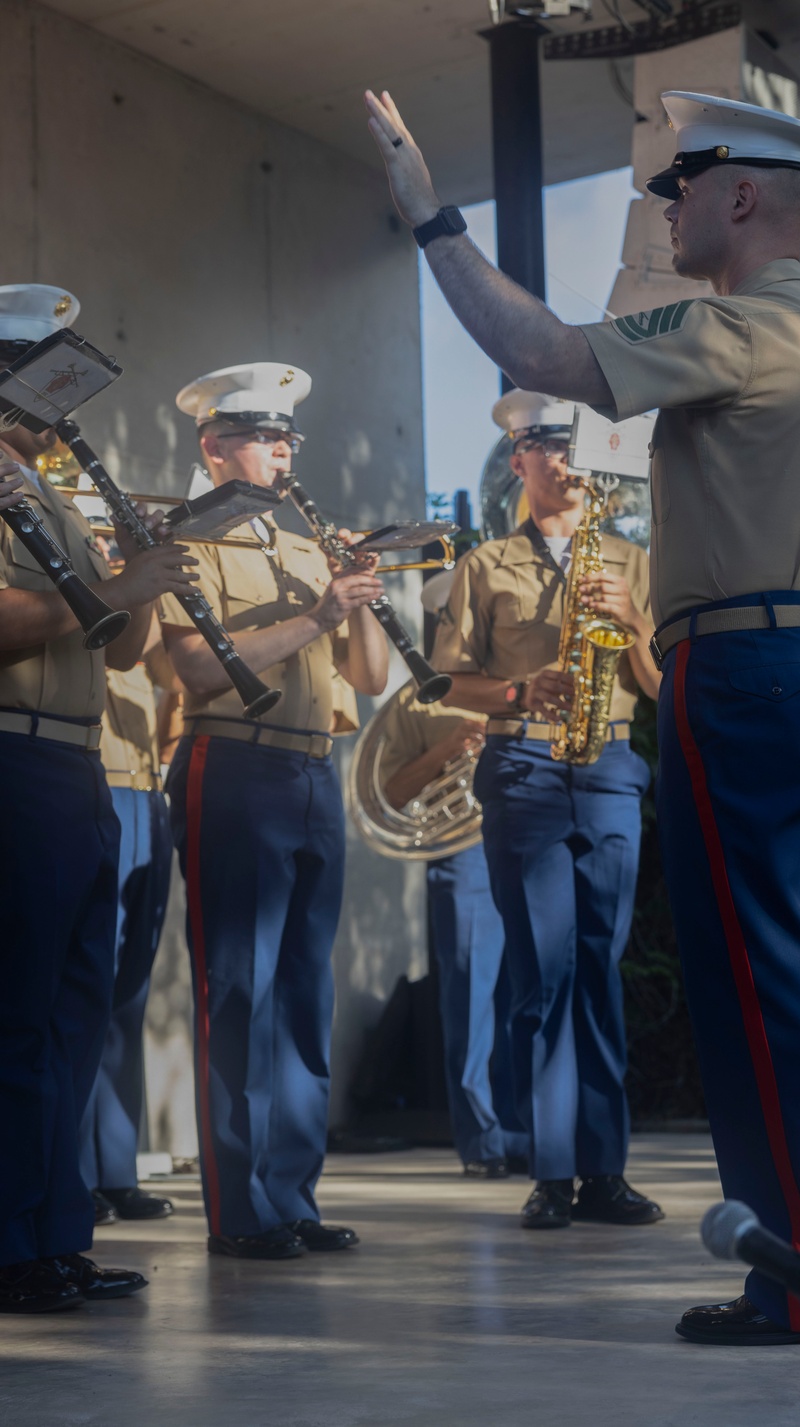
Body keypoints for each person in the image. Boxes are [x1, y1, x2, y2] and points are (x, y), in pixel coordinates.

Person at [364, 89, 800, 1342]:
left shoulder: (747, 322)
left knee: (759, 989)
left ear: (740, 197)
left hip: (747, 674)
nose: (664, 210)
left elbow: (551, 356)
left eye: (680, 187)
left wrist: (430, 218)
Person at [160, 362, 389, 1260]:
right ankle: (238, 1209)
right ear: (215, 446)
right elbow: (201, 670)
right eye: (263, 434)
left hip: (311, 770)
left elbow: (368, 680)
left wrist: (359, 597)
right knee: (238, 989)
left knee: (303, 992)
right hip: (234, 765)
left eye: (288, 435)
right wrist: (317, 614)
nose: (283, 448)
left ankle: (291, 1194)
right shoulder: (187, 545)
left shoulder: (305, 545)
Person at [0, 284, 198, 1313]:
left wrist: (145, 579)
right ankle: (11, 1241)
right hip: (14, 755)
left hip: (75, 762)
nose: (57, 405)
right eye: (39, 375)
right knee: (21, 1009)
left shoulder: (47, 492)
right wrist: (114, 590)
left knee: (78, 1011)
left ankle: (54, 1230)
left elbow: (118, 647)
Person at [430, 388, 663, 1230]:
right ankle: (550, 1168)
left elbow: (664, 684)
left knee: (597, 964)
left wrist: (633, 619)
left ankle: (603, 1170)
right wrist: (523, 687)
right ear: (518, 460)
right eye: (543, 447)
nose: (561, 462)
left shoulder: (632, 560)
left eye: (571, 448)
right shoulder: (483, 564)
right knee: (544, 971)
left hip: (609, 765)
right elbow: (445, 682)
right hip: (524, 758)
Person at [379, 666, 527, 1178]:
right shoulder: (418, 700)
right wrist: (449, 750)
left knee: (534, 991)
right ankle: (485, 1141)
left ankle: (530, 1132)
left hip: (532, 838)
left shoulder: (533, 674)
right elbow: (390, 793)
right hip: (463, 851)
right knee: (470, 998)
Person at [81, 634, 176, 1226]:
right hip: (98, 779)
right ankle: (75, 1174)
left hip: (148, 789)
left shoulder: (148, 611)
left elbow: (174, 679)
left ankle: (117, 1170)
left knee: (129, 996)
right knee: (87, 992)